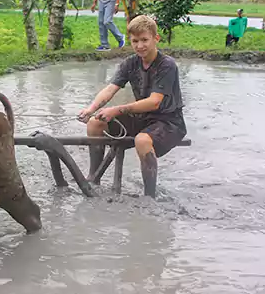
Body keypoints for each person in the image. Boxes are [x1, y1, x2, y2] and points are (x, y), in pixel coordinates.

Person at [77, 15, 187, 197]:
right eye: (135, 41)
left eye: (144, 40)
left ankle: (149, 196)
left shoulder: (167, 65)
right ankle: (94, 177)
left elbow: (154, 101)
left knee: (142, 140)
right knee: (95, 123)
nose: (140, 46)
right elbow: (110, 89)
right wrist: (91, 109)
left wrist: (117, 110)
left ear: (155, 39)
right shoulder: (130, 63)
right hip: (143, 119)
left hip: (169, 122)